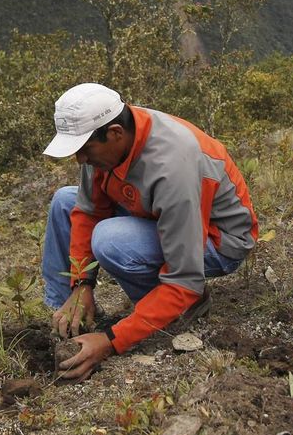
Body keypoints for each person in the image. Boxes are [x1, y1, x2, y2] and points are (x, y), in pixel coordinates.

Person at [41, 83, 258, 381]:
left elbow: (184, 279)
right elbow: (90, 211)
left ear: (115, 133)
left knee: (110, 240)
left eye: (85, 150)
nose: (80, 160)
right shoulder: (109, 142)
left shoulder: (172, 167)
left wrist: (110, 341)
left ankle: (181, 309)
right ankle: (65, 318)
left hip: (217, 239)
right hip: (158, 213)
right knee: (65, 201)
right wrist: (81, 283)